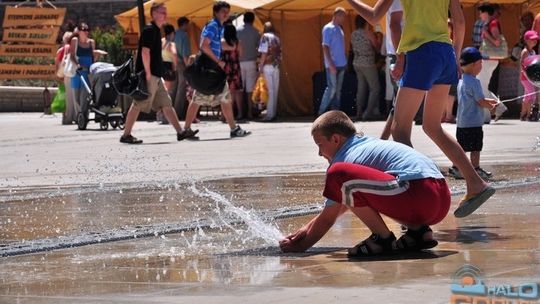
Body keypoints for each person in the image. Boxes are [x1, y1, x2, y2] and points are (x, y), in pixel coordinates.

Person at [346, 0, 495, 218]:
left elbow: (373, 16)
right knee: (433, 127)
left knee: (400, 129)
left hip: (421, 52)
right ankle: (475, 183)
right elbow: (460, 21)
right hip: (445, 52)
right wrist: (454, 55)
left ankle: (418, 194)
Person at [279, 110, 451, 255]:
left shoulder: (345, 159)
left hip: (418, 193)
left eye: (320, 145)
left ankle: (382, 239)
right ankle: (418, 233)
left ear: (336, 139)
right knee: (356, 189)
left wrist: (300, 246)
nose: (319, 153)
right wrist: (306, 229)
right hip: (440, 199)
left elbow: (328, 218)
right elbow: (348, 201)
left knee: (337, 173)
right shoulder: (366, 145)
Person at [179, 1, 251, 139]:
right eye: (224, 11)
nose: (226, 14)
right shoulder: (213, 26)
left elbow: (214, 45)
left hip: (209, 69)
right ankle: (233, 129)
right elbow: (204, 45)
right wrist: (218, 61)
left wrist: (228, 49)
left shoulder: (218, 27)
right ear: (216, 13)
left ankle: (187, 129)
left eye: (227, 11)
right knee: (206, 99)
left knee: (215, 98)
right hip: (209, 68)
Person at [120, 3, 187, 144]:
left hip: (156, 76)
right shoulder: (150, 30)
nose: (165, 15)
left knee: (166, 104)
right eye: (162, 12)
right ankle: (126, 135)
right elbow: (145, 52)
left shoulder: (156, 30)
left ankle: (180, 132)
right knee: (138, 103)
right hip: (149, 75)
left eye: (165, 12)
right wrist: (148, 73)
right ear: (154, 14)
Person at [449, 48, 498, 181]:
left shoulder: (462, 81)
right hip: (473, 123)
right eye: (480, 63)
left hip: (462, 122)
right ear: (473, 65)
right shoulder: (474, 82)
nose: (481, 66)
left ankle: (456, 168)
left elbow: (475, 99)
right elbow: (480, 101)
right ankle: (476, 168)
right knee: (475, 148)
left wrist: (489, 101)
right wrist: (492, 107)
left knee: (462, 148)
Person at [318, 7, 348, 116]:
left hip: (341, 64)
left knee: (337, 90)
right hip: (333, 64)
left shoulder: (340, 29)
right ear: (336, 15)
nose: (343, 19)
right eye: (342, 16)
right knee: (332, 88)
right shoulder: (328, 28)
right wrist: (330, 63)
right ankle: (321, 112)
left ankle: (335, 114)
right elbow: (325, 46)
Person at [351, 15, 381, 121]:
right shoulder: (368, 33)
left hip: (356, 62)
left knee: (361, 88)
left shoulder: (353, 34)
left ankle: (359, 112)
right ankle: (367, 113)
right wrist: (378, 39)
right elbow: (377, 48)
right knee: (375, 88)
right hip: (368, 63)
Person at [380, 0, 403, 140]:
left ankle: (381, 145)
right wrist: (401, 58)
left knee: (399, 105)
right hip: (400, 54)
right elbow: (395, 25)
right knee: (401, 107)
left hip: (399, 54)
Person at [236, 12, 261, 119]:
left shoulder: (237, 30)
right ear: (252, 20)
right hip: (251, 61)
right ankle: (250, 113)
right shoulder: (256, 32)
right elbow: (259, 48)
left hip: (239, 62)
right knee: (250, 89)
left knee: (239, 89)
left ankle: (240, 113)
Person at [68, 23, 95, 117]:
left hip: (87, 72)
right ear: (79, 31)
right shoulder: (75, 41)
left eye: (87, 30)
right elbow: (71, 56)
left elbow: (93, 58)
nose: (86, 32)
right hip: (77, 71)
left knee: (85, 96)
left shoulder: (91, 42)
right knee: (76, 96)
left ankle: (84, 116)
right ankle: (79, 115)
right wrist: (78, 65)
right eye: (84, 30)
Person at [258, 22, 282, 122]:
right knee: (275, 90)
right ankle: (274, 113)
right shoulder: (277, 38)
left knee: (270, 90)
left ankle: (269, 115)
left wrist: (260, 65)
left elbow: (264, 52)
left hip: (267, 65)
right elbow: (280, 53)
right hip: (276, 66)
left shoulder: (264, 37)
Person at [221, 21, 244, 121]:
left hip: (225, 68)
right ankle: (239, 113)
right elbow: (242, 54)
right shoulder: (238, 42)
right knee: (237, 91)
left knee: (225, 92)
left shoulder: (222, 41)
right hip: (236, 67)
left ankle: (225, 115)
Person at [157, 23, 178, 124]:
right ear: (172, 33)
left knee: (162, 91)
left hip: (160, 66)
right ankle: (164, 114)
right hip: (169, 66)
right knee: (167, 92)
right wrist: (175, 66)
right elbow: (174, 54)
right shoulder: (171, 44)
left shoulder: (161, 42)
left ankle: (161, 113)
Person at [55, 31, 75, 125]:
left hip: (62, 76)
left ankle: (65, 117)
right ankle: (70, 116)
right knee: (70, 97)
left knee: (63, 97)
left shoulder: (60, 50)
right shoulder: (71, 49)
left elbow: (57, 64)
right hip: (69, 75)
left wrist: (58, 76)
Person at [173, 17, 191, 119]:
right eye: (187, 25)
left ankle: (169, 112)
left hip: (172, 62)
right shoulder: (184, 35)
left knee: (173, 88)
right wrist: (188, 66)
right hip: (181, 63)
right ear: (184, 24)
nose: (188, 27)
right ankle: (177, 112)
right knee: (181, 88)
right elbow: (185, 55)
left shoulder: (174, 34)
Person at [520, 30, 540, 121]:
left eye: (536, 40)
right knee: (532, 95)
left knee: (527, 96)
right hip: (525, 77)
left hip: (529, 77)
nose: (535, 41)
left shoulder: (532, 52)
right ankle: (530, 114)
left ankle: (523, 114)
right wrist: (527, 75)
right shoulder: (525, 52)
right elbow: (522, 65)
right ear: (526, 40)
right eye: (532, 40)